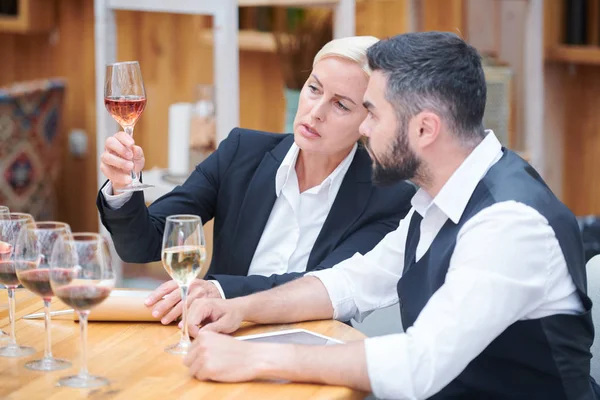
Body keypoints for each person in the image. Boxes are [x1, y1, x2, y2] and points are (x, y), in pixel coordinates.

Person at [180, 31, 600, 400]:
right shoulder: (438, 198)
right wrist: (241, 306)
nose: (363, 129)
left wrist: (255, 357)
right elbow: (350, 283)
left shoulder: (509, 223)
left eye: (373, 113)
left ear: (424, 130)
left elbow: (419, 364)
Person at [96, 36, 416, 325]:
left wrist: (222, 289)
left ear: (368, 120)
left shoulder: (387, 198)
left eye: (341, 104)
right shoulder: (242, 152)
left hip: (309, 352)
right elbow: (143, 245)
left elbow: (323, 288)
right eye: (314, 89)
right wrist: (123, 188)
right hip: (212, 334)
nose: (315, 111)